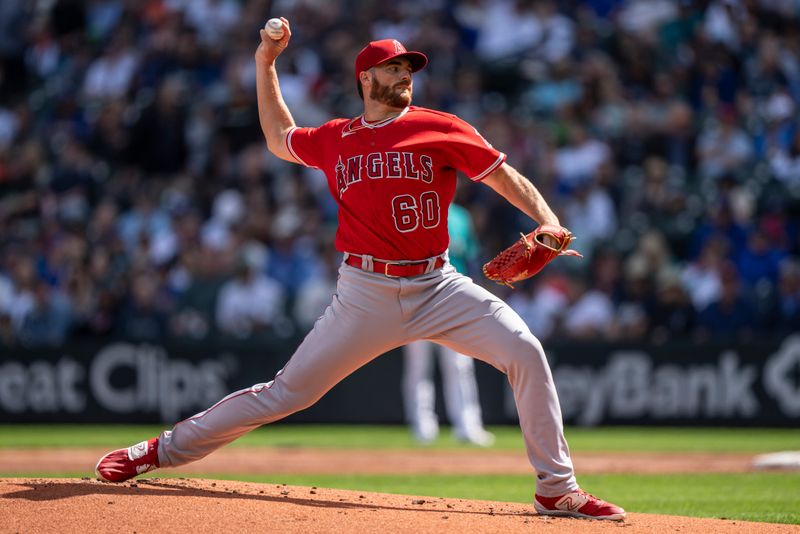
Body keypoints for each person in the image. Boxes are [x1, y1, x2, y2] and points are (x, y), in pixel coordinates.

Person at [95, 19, 625, 521]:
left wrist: (550, 221)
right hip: (364, 290)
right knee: (285, 394)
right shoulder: (336, 137)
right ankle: (156, 451)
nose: (405, 75)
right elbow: (280, 138)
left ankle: (556, 490)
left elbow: (502, 177)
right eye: (394, 67)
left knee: (525, 351)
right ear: (365, 79)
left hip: (437, 284)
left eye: (409, 68)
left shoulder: (439, 127)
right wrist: (266, 64)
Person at [402, 202, 495, 447]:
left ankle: (468, 425)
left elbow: (472, 257)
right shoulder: (413, 207)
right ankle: (422, 425)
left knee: (459, 364)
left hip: (453, 299)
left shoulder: (460, 216)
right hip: (417, 296)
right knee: (419, 366)